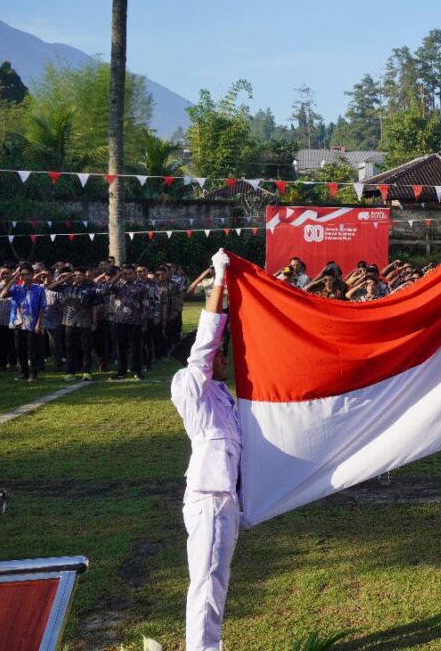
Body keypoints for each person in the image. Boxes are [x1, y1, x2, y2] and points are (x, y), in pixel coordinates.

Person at [171, 249, 241, 651]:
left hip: (226, 498)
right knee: (207, 581)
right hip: (208, 497)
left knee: (218, 578)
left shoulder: (222, 395)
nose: (223, 356)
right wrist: (219, 280)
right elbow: (206, 340)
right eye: (219, 355)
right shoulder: (189, 385)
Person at [0, 264, 46, 381]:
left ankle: (33, 373)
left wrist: (39, 323)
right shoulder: (16, 288)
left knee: (32, 350)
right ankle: (23, 372)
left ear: (32, 275)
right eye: (22, 275)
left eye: (27, 274)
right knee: (20, 349)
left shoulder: (39, 289)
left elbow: (42, 307)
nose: (25, 277)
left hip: (32, 323)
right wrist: (15, 278)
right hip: (18, 323)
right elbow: (3, 294)